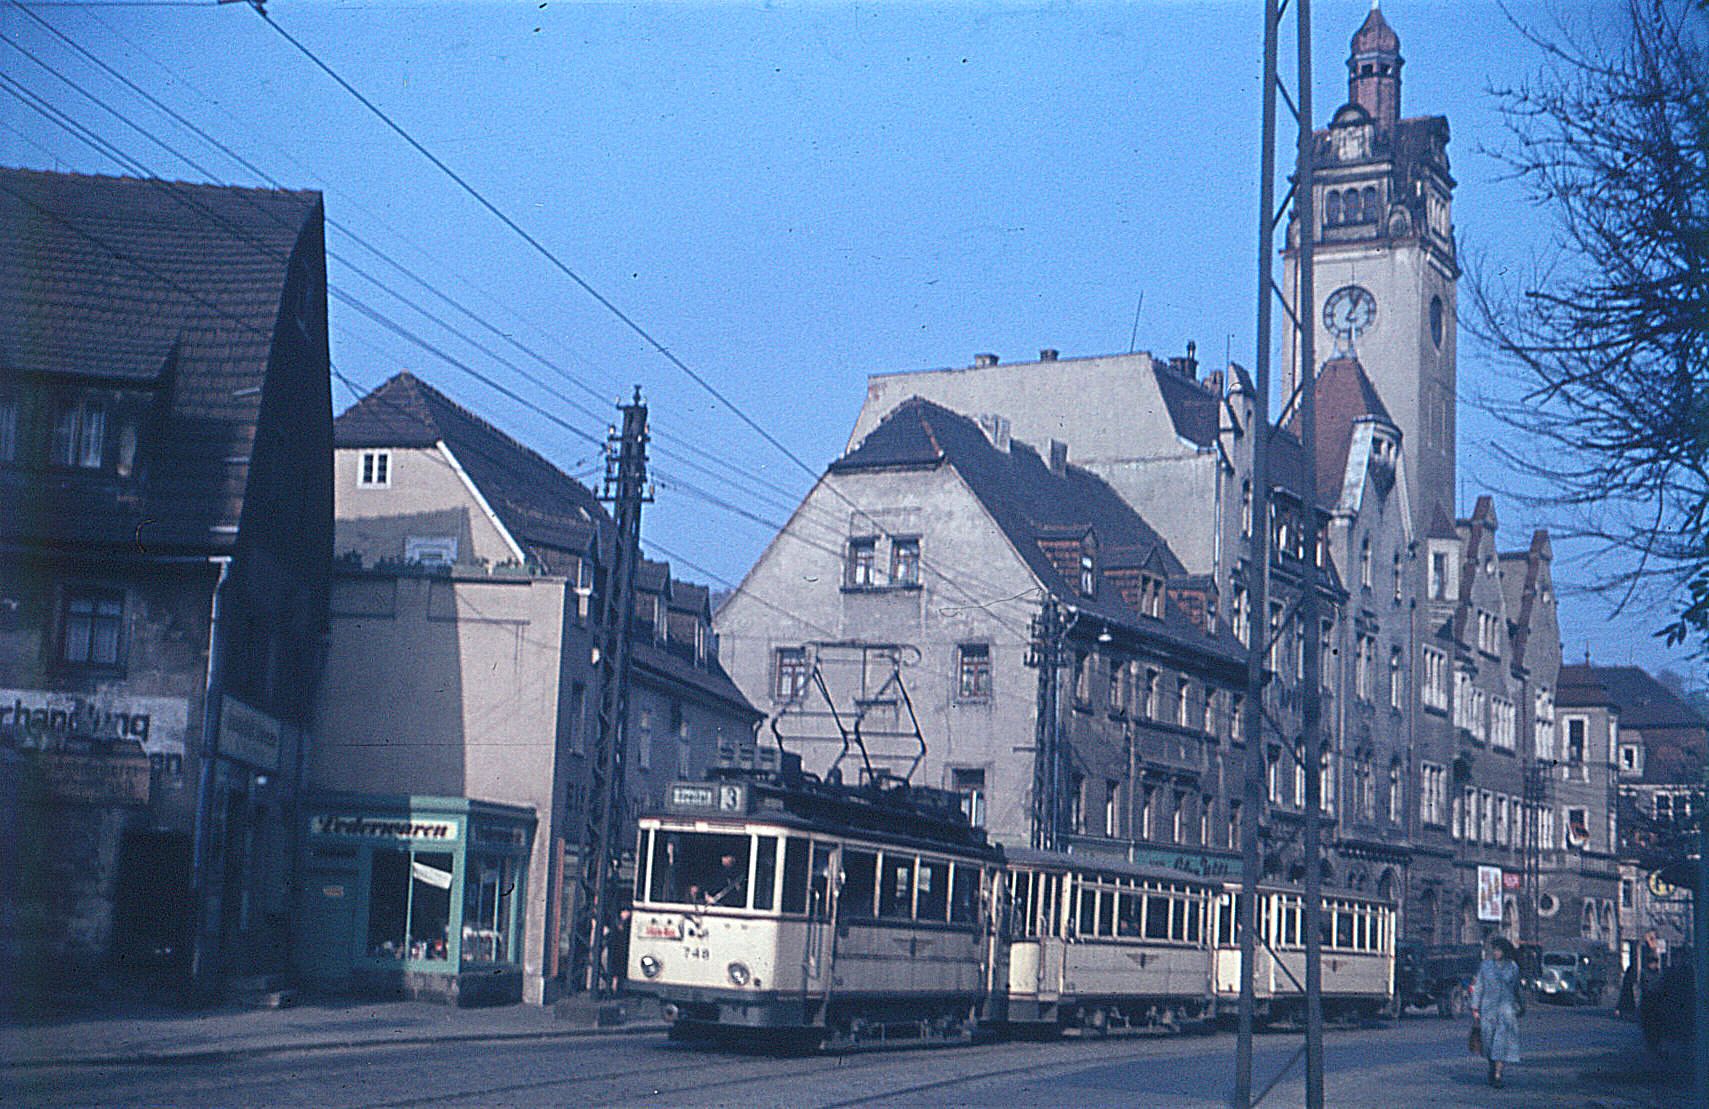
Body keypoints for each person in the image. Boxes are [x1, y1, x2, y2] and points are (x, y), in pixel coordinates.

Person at [1471, 935, 1524, 1088]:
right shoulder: (1486, 966)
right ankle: (1492, 1067)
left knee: (1501, 1044)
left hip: (1506, 1011)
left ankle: (1498, 1075)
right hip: (1488, 1011)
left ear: (1504, 951)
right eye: (1494, 949)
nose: (1495, 952)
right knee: (1488, 1044)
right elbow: (1479, 986)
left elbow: (1516, 988)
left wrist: (1520, 1005)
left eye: (1498, 950)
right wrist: (1475, 1008)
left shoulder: (1512, 967)